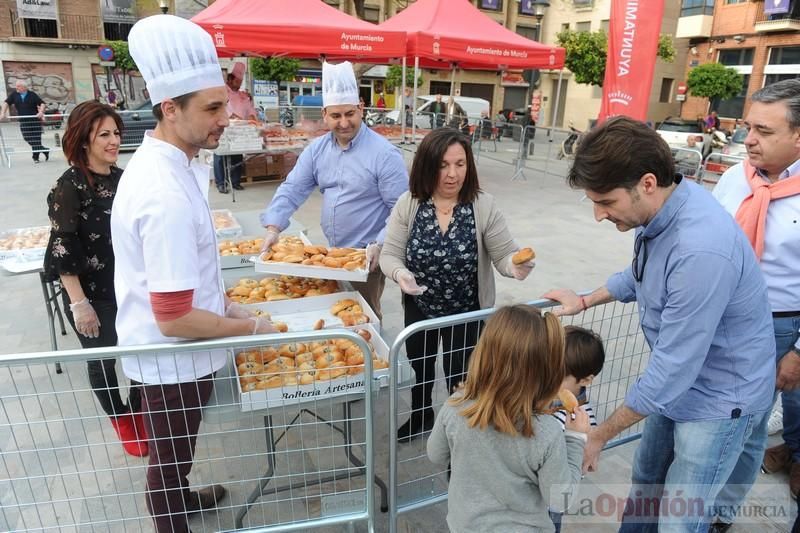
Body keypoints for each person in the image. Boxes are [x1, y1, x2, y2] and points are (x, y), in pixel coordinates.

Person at [543, 116, 775, 532]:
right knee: (648, 482)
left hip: (719, 399)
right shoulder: (658, 213)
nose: (598, 215)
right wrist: (585, 300)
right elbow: (639, 274)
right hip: (677, 388)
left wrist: (599, 434)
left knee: (679, 518)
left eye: (606, 202)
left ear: (647, 183)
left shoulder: (700, 248)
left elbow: (673, 368)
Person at [113, 15, 277, 532]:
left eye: (223, 105)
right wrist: (249, 328)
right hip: (172, 364)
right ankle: (173, 518)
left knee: (175, 452)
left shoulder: (177, 164)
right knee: (166, 463)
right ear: (169, 108)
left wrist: (225, 304)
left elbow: (189, 276)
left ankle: (182, 497)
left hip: (180, 359)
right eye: (211, 108)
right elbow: (175, 317)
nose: (224, 118)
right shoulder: (162, 192)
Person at [380, 128, 536, 442]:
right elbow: (390, 255)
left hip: (465, 312)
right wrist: (400, 275)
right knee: (420, 369)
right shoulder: (409, 203)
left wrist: (516, 267)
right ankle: (421, 416)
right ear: (427, 165)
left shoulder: (482, 205)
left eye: (460, 164)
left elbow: (505, 254)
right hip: (419, 305)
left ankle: (459, 436)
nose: (453, 174)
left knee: (461, 377)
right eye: (443, 165)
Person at [709, 79, 800, 531]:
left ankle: (721, 512)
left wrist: (798, 351)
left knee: (746, 432)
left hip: (775, 328)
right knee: (699, 419)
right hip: (714, 317)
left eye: (763, 131)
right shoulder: (733, 177)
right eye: (748, 127)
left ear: (799, 135)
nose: (748, 139)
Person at [260, 61, 408, 320]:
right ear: (324, 114)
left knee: (363, 317)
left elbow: (402, 209)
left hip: (366, 257)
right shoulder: (317, 150)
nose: (343, 123)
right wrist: (274, 227)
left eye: (350, 113)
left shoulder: (384, 154)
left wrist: (381, 244)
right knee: (333, 316)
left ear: (361, 108)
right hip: (331, 254)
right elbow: (293, 188)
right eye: (336, 116)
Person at [42, 101, 147, 458]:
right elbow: (62, 247)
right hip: (92, 293)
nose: (114, 140)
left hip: (128, 287)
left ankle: (137, 411)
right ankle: (120, 420)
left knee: (138, 352)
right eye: (104, 134)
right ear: (84, 140)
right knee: (102, 361)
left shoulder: (124, 178)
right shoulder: (69, 187)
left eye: (116, 132)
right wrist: (79, 304)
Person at [426, 304, 589, 532]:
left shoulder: (456, 405)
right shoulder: (547, 431)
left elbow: (435, 454)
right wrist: (575, 439)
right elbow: (559, 500)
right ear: (549, 370)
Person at [548, 325, 606, 533]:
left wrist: (577, 437)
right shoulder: (542, 399)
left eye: (559, 376)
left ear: (586, 380)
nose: (548, 380)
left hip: (549, 502)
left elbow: (578, 467)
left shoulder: (582, 419)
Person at [213, 61, 256, 194]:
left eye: (241, 81)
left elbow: (249, 109)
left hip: (239, 130)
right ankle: (221, 182)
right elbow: (226, 108)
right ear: (231, 79)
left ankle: (236, 181)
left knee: (237, 155)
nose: (239, 84)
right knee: (220, 155)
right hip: (223, 128)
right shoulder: (222, 90)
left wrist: (252, 116)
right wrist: (234, 117)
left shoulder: (243, 95)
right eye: (237, 81)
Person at [0, 80, 49, 163]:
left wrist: (41, 112)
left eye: (18, 86)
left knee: (36, 140)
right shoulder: (14, 94)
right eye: (16, 86)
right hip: (24, 121)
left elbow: (42, 103)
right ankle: (44, 150)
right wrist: (3, 113)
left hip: (34, 121)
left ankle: (35, 158)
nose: (16, 87)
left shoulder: (32, 95)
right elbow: (6, 103)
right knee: (26, 137)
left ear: (24, 87)